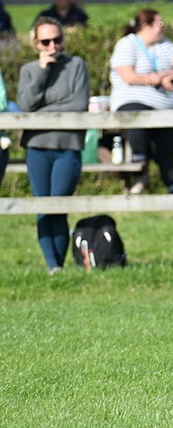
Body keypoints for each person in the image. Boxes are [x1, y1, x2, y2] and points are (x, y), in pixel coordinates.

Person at [18, 17, 90, 273]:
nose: (52, 46)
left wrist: (43, 110)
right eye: (45, 41)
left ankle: (58, 263)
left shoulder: (76, 65)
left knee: (59, 205)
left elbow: (79, 103)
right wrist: (42, 71)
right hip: (37, 145)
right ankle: (52, 267)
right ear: (36, 43)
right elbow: (26, 105)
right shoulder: (29, 70)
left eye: (56, 40)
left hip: (68, 145)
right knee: (42, 206)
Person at [109, 8, 173, 194]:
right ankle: (139, 170)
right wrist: (155, 79)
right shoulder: (127, 44)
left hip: (167, 105)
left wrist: (165, 76)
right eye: (159, 23)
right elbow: (128, 75)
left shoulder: (167, 45)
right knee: (137, 117)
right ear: (146, 26)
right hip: (135, 99)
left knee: (166, 149)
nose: (163, 27)